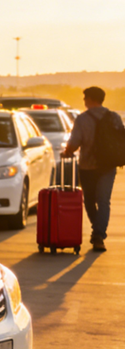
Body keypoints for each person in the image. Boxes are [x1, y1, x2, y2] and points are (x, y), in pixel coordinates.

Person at [62, 86, 123, 252]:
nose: (84, 101)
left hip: (88, 166)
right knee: (104, 201)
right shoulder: (114, 117)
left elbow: (74, 142)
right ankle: (98, 235)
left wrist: (67, 152)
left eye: (85, 98)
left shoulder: (82, 119)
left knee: (89, 200)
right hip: (108, 165)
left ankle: (97, 231)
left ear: (90, 99)